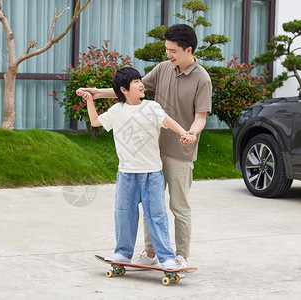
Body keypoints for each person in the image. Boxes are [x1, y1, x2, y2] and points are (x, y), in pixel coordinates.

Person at [77, 24, 212, 269]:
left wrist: (191, 133)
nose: (168, 55)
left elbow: (201, 117)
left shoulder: (202, 79)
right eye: (166, 50)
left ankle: (180, 255)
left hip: (180, 151)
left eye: (173, 51)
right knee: (153, 206)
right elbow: (130, 89)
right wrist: (96, 94)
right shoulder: (163, 69)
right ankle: (151, 253)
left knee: (178, 206)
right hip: (152, 152)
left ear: (188, 49)